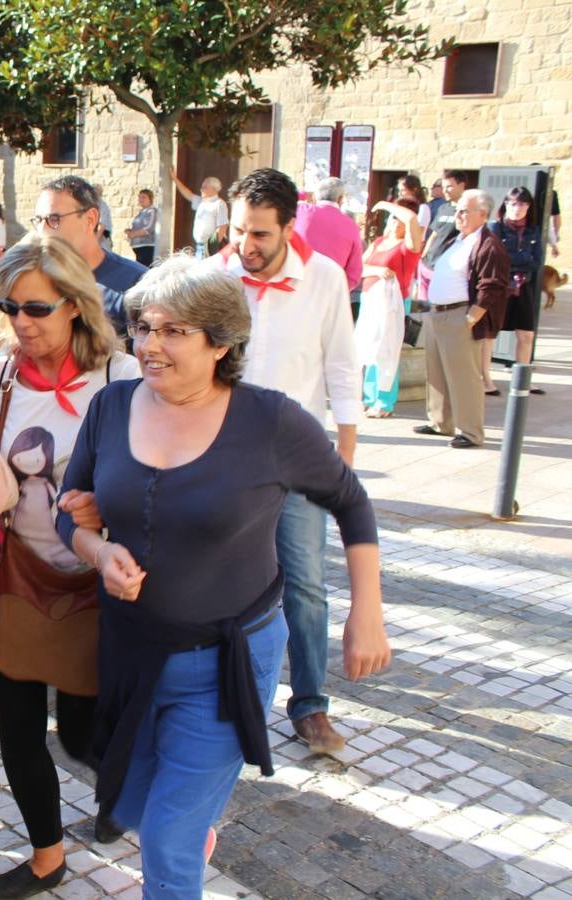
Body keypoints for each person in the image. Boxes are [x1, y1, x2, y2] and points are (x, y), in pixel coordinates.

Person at [56, 255, 389, 899]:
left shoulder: (270, 422)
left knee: (167, 844)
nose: (150, 346)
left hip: (224, 661)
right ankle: (194, 818)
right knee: (137, 803)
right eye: (143, 327)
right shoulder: (112, 405)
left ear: (222, 344)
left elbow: (352, 501)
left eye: (173, 331)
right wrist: (98, 552)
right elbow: (68, 511)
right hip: (129, 652)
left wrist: (366, 609)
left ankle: (187, 831)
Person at [0, 235, 139, 898]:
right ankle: (47, 857)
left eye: (36, 308)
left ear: (75, 305)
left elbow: (160, 472)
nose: (21, 322)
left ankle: (125, 791)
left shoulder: (122, 379)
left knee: (78, 731)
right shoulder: (3, 378)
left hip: (94, 586)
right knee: (16, 731)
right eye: (9, 307)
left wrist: (114, 501)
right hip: (14, 578)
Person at [207, 168, 361, 755]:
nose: (247, 245)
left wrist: (342, 459)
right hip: (222, 456)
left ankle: (311, 705)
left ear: (289, 228)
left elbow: (343, 369)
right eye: (240, 231)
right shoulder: (215, 278)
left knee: (306, 584)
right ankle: (227, 694)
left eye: (260, 235)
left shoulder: (323, 279)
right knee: (223, 579)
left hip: (299, 461)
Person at [414, 190, 511, 449]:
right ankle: (440, 421)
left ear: (482, 214)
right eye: (458, 210)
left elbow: (493, 285)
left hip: (459, 314)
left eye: (464, 211)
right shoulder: (460, 239)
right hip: (439, 312)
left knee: (464, 377)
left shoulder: (489, 244)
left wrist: (472, 318)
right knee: (436, 372)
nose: (457, 215)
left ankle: (470, 432)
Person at [33, 176, 147, 335]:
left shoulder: (136, 283)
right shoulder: (33, 278)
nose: (43, 230)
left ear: (90, 219)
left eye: (54, 219)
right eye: (38, 220)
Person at [359, 197, 424, 417]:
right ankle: (369, 396)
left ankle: (384, 401)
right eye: (393, 218)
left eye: (399, 218)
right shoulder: (378, 242)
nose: (396, 222)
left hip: (392, 303)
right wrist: (376, 271)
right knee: (370, 348)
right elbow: (360, 266)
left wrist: (385, 205)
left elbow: (412, 219)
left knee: (387, 350)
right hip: (371, 299)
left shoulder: (408, 247)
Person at [492, 186, 545, 394]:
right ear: (505, 205)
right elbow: (498, 258)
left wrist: (517, 260)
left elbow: (537, 261)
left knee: (526, 334)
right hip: (500, 288)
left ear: (529, 207)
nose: (518, 208)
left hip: (524, 287)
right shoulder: (497, 228)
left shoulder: (533, 230)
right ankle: (484, 378)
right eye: (513, 203)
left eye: (523, 204)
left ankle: (523, 378)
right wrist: (522, 258)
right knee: (490, 334)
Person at [294, 178, 364, 291]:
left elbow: (280, 198)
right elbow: (354, 273)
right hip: (328, 292)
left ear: (315, 196)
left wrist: (305, 193)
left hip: (295, 287)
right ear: (341, 199)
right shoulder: (352, 227)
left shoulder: (300, 210)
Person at [171, 168, 229, 258]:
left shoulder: (219, 204)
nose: (201, 189)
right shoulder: (201, 201)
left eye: (204, 187)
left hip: (210, 248)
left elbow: (222, 226)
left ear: (214, 189)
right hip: (199, 246)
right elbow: (188, 194)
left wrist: (212, 248)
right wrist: (174, 179)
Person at [125, 189, 158, 267]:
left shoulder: (152, 211)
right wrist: (129, 231)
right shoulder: (142, 212)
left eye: (144, 197)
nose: (141, 199)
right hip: (139, 248)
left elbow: (148, 229)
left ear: (150, 199)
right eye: (139, 197)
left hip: (146, 247)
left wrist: (132, 234)